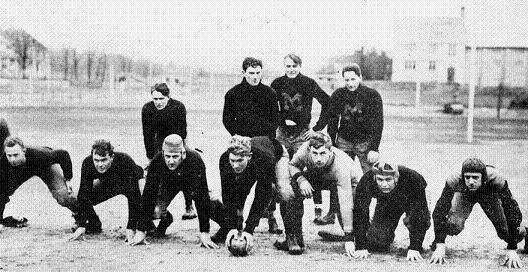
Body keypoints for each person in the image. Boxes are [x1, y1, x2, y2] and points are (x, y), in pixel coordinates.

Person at [274, 132, 362, 255]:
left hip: (348, 183)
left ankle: (352, 235)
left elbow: (345, 202)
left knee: (352, 213)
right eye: (314, 154)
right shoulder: (304, 148)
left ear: (331, 151)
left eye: (323, 153)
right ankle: (294, 238)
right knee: (293, 188)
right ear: (309, 150)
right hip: (319, 176)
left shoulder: (341, 165)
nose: (318, 158)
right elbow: (293, 165)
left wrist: (348, 238)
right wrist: (301, 180)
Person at [271, 53, 333, 225]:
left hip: (302, 134)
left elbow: (327, 103)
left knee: (311, 166)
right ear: (284, 67)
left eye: (294, 66)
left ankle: (318, 211)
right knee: (277, 169)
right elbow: (268, 105)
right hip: (282, 132)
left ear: (300, 66)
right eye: (288, 66)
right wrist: (275, 124)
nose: (291, 69)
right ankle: (271, 213)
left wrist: (316, 129)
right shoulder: (277, 83)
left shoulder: (308, 83)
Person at [430, 157, 525, 269]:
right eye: (467, 177)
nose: (471, 181)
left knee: (505, 232)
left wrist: (512, 248)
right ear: (462, 176)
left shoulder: (496, 179)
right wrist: (440, 244)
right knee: (453, 224)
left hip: (489, 194)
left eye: (475, 178)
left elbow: (512, 210)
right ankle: (438, 241)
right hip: (465, 195)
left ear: (483, 177)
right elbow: (439, 211)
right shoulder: (454, 179)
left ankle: (525, 231)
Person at [222, 57, 281, 233]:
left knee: (267, 182)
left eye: (258, 73)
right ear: (243, 73)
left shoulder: (270, 93)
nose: (255, 77)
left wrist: (259, 141)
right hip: (241, 144)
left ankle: (271, 217)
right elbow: (227, 120)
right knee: (240, 182)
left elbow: (275, 121)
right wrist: (238, 136)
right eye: (251, 73)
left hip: (263, 145)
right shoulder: (233, 94)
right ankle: (237, 218)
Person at [131, 134, 219, 249]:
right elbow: (149, 194)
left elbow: (202, 197)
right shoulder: (157, 161)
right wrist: (141, 231)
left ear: (183, 153)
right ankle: (166, 219)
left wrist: (205, 233)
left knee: (211, 204)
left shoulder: (195, 160)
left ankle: (227, 226)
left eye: (175, 156)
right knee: (155, 209)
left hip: (190, 185)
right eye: (167, 156)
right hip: (169, 185)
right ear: (162, 153)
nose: (171, 161)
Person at [209, 135, 288, 251]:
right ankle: (231, 227)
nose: (235, 165)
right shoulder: (224, 159)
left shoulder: (264, 159)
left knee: (283, 191)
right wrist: (232, 226)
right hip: (253, 163)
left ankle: (291, 236)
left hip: (276, 154)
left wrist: (249, 229)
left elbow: (262, 196)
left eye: (240, 160)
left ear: (249, 156)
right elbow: (228, 194)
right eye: (233, 160)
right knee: (238, 190)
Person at [345, 161, 431, 262]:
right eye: (380, 180)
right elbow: (360, 211)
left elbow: (420, 211)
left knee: (419, 219)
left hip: (412, 200)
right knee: (376, 242)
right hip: (388, 202)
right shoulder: (366, 180)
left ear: (396, 177)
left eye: (388, 179)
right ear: (374, 178)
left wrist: (415, 247)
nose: (384, 184)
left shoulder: (413, 179)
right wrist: (361, 246)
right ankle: (385, 232)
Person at [68, 140, 143, 243]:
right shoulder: (88, 163)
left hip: (127, 183)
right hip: (108, 185)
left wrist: (131, 228)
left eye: (104, 160)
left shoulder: (124, 160)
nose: (100, 164)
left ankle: (147, 225)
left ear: (111, 157)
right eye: (96, 160)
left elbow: (134, 196)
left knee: (147, 201)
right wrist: (81, 225)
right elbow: (84, 192)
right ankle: (94, 224)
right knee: (76, 199)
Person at [141, 82, 196, 220]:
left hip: (177, 140)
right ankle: (156, 204)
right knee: (155, 170)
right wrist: (150, 156)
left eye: (161, 99)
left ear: (168, 96)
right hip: (159, 140)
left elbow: (182, 132)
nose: (158, 102)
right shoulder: (147, 109)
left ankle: (189, 205)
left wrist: (179, 148)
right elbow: (147, 135)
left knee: (185, 170)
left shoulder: (178, 107)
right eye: (155, 99)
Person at [0, 136, 78, 228]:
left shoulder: (40, 155)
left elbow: (63, 155)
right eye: (9, 155)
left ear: (24, 151)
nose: (12, 159)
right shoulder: (3, 163)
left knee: (64, 195)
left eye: (16, 155)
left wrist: (68, 180)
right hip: (21, 171)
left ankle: (81, 217)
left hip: (44, 167)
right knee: (4, 189)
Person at [328, 63, 383, 174]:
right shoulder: (338, 95)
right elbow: (333, 121)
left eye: (353, 79)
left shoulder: (372, 95)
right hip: (344, 141)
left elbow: (378, 123)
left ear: (360, 77)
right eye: (347, 80)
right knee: (341, 174)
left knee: (370, 176)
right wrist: (332, 144)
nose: (350, 83)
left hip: (365, 142)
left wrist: (374, 148)